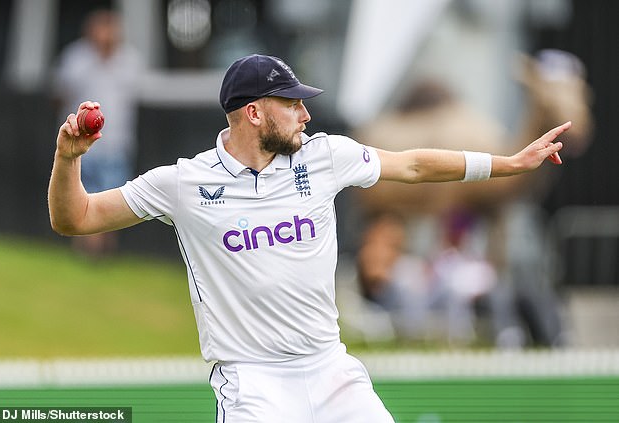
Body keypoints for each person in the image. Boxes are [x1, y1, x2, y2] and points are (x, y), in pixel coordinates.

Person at [48, 54, 570, 422]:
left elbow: (411, 164)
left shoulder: (325, 156)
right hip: (252, 384)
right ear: (254, 112)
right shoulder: (183, 183)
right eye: (292, 103)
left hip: (330, 369)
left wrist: (508, 164)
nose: (305, 113)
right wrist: (68, 160)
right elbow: (78, 218)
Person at [51, 8, 143, 257]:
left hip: (116, 143)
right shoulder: (76, 58)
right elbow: (60, 93)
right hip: (82, 146)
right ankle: (86, 253)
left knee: (112, 199)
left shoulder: (129, 59)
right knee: (81, 195)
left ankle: (104, 254)